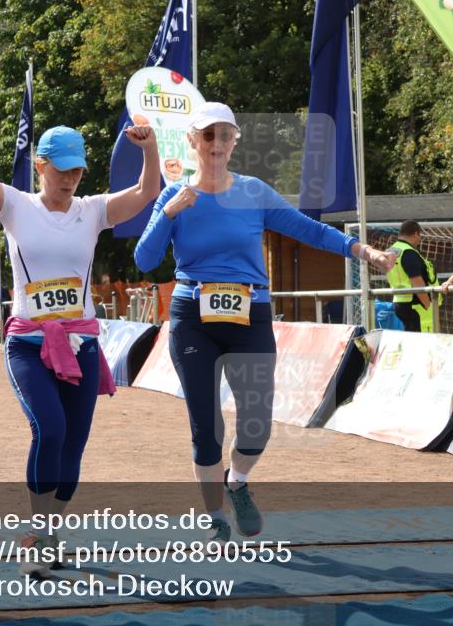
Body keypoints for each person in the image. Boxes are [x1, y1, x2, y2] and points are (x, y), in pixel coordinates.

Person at [134, 102, 395, 543]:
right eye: (209, 135)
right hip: (191, 315)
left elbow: (309, 230)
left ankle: (237, 482)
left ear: (235, 142)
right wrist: (169, 213)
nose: (218, 143)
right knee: (205, 423)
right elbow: (144, 259)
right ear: (193, 141)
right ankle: (215, 516)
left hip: (248, 314)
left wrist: (362, 251)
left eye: (226, 135)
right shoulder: (172, 195)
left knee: (257, 423)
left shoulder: (254, 193)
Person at [0, 91, 160, 579]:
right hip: (28, 343)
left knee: (74, 445)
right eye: (61, 169)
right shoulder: (15, 205)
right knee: (50, 429)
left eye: (77, 171)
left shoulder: (92, 211)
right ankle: (35, 536)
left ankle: (49, 534)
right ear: (40, 165)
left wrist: (149, 148)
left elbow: (147, 192)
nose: (70, 179)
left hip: (83, 344)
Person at [385, 220, 440, 332]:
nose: (419, 240)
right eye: (419, 236)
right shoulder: (408, 252)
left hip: (399, 302)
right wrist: (428, 306)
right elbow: (417, 281)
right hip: (415, 305)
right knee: (423, 342)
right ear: (416, 234)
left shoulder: (390, 251)